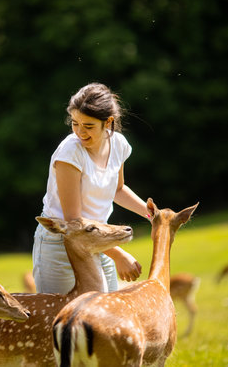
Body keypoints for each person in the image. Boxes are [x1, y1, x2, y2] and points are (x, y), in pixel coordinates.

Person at [32, 83, 151, 294]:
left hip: (98, 241)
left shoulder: (119, 144)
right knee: (58, 322)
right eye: (75, 123)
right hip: (62, 244)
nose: (79, 132)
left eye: (88, 126)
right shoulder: (70, 153)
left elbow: (118, 189)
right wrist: (120, 255)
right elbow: (73, 222)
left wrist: (152, 214)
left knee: (105, 319)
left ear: (109, 122)